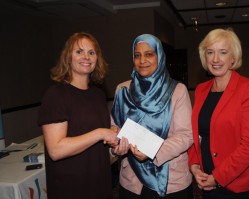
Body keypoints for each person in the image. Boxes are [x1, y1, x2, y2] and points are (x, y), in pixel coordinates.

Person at [111, 34, 194, 199]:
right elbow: (115, 129)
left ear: (159, 56)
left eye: (149, 54)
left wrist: (152, 151)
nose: (142, 60)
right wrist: (116, 145)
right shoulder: (122, 90)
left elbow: (186, 135)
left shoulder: (177, 90)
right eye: (137, 55)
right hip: (132, 181)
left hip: (171, 180)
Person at [188, 28, 249, 199]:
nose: (215, 59)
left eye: (223, 52)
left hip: (238, 184)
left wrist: (217, 177)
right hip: (206, 180)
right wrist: (194, 165)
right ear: (205, 57)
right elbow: (197, 133)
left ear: (233, 57)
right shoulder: (201, 90)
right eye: (210, 52)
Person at [38, 32, 119, 199]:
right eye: (79, 51)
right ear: (68, 57)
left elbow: (97, 129)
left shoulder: (98, 94)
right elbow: (56, 149)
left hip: (100, 181)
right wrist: (100, 133)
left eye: (91, 52)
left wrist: (112, 132)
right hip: (71, 187)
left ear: (97, 58)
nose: (86, 57)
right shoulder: (55, 95)